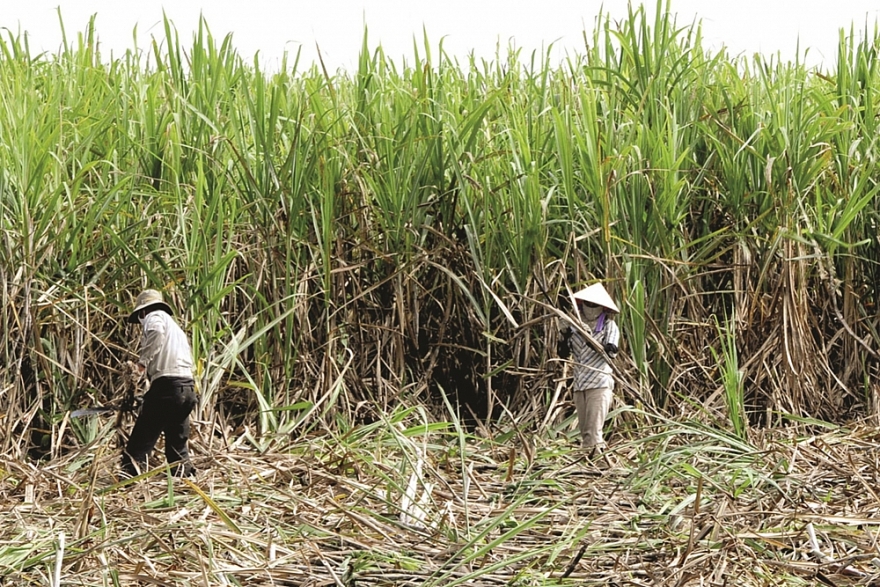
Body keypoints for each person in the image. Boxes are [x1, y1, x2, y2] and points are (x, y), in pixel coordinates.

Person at [122, 289, 197, 477]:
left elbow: (156, 332)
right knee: (177, 443)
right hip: (187, 388)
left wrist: (142, 363)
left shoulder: (154, 316)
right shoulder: (176, 330)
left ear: (142, 312)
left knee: (140, 442)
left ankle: (128, 480)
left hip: (168, 386)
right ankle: (184, 479)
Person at [561, 283, 621, 451]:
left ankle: (598, 460)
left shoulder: (609, 326)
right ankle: (588, 458)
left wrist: (589, 337)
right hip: (580, 383)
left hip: (599, 382)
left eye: (595, 304)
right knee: (584, 431)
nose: (591, 307)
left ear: (602, 307)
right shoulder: (574, 326)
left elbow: (611, 353)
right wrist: (564, 335)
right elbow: (563, 354)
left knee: (593, 432)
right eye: (588, 303)